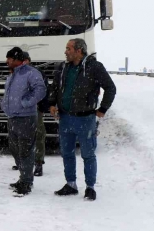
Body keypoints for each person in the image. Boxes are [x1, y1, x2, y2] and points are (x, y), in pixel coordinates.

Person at [49, 38, 116, 201]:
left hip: (85, 119)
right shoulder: (63, 67)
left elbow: (110, 88)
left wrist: (103, 109)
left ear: (79, 51)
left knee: (88, 154)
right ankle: (71, 184)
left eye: (68, 48)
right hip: (65, 118)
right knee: (67, 153)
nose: (66, 52)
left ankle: (90, 187)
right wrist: (52, 103)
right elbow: (54, 87)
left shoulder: (94, 67)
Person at [1, 47, 47, 196]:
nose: (7, 61)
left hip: (26, 118)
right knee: (15, 149)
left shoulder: (31, 73)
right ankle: (23, 178)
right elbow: (8, 93)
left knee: (25, 151)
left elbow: (40, 90)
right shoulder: (12, 75)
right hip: (12, 117)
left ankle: (27, 182)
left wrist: (26, 103)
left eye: (9, 59)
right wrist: (4, 104)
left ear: (17, 59)